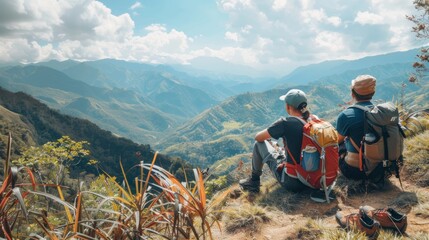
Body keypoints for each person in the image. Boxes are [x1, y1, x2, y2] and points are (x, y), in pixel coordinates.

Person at [239, 89, 314, 193]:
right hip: (313, 179)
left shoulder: (285, 123)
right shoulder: (313, 120)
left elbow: (258, 137)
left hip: (292, 181)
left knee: (259, 144)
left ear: (288, 106)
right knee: (275, 145)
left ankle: (254, 181)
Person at [336, 75, 384, 181]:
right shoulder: (381, 113)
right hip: (382, 168)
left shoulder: (346, 115)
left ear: (352, 94)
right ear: (373, 93)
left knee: (339, 144)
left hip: (356, 172)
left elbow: (336, 141)